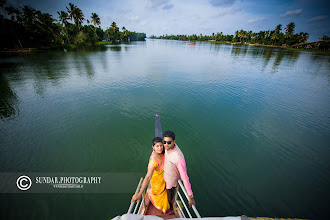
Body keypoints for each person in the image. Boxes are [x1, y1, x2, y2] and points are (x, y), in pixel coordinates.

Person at [131, 137, 170, 214]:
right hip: (157, 182)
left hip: (163, 178)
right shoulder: (153, 161)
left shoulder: (163, 153)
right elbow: (148, 176)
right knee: (163, 202)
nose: (160, 148)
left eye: (161, 145)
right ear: (153, 147)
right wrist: (140, 192)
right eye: (157, 146)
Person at [163, 130, 196, 208]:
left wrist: (190, 196)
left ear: (174, 141)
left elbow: (185, 178)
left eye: (169, 142)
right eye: (164, 142)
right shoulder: (168, 147)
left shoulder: (178, 158)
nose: (166, 145)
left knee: (169, 194)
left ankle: (169, 205)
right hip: (166, 174)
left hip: (171, 182)